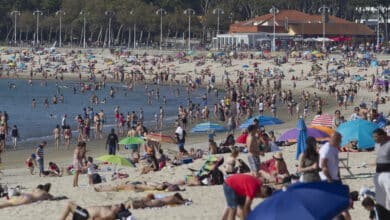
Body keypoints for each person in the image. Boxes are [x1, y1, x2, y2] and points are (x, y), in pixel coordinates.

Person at [372, 128, 390, 210]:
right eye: (373, 137)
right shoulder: (376, 145)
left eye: (375, 137)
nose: (374, 138)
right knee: (380, 195)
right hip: (378, 171)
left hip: (388, 172)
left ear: (382, 136)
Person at [60, 201, 129, 220]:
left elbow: (102, 219)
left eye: (120, 206)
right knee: (69, 217)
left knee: (69, 205)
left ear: (118, 210)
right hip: (84, 213)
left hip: (86, 216)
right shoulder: (109, 208)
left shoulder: (111, 214)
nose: (118, 204)